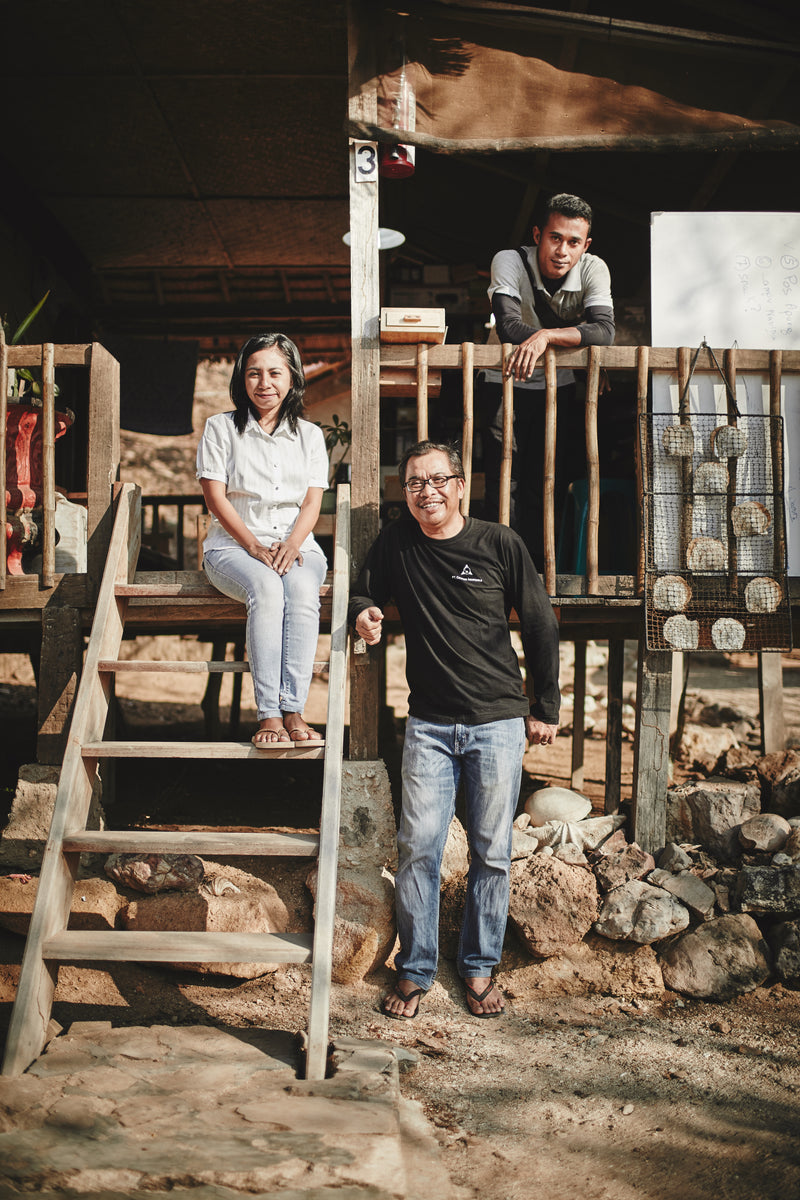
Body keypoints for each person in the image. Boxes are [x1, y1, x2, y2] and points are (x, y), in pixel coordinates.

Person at [349, 440, 560, 1019]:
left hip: (498, 723)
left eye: (438, 480)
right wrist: (364, 611)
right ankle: (415, 970)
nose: (427, 492)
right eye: (415, 483)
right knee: (419, 848)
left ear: (461, 484)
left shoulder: (499, 543)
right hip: (430, 726)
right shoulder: (397, 542)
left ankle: (478, 966)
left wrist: (545, 706)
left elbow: (540, 622)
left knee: (492, 850)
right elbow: (365, 590)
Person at [196, 333, 329, 747]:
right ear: (242, 378)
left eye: (274, 372)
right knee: (268, 589)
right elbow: (215, 495)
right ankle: (269, 715)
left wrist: (292, 544)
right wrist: (253, 545)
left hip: (297, 545)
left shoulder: (310, 435)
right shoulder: (220, 428)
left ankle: (294, 710)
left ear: (292, 377)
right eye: (253, 373)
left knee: (304, 595)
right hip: (232, 548)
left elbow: (311, 502)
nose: (264, 382)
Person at [481, 192, 615, 564]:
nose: (562, 250)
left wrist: (545, 336)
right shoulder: (509, 260)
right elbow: (508, 327)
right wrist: (572, 340)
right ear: (538, 234)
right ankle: (499, 565)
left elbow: (604, 331)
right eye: (555, 238)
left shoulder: (593, 268)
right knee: (503, 484)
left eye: (573, 242)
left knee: (549, 480)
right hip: (503, 381)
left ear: (585, 245)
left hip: (559, 385)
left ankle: (541, 569)